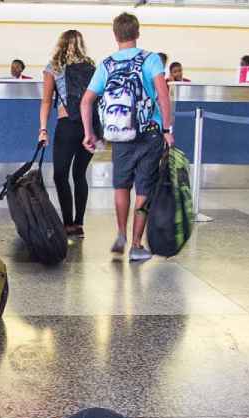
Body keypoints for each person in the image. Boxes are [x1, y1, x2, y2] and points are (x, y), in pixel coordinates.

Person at [81, 12, 174, 263]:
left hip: (119, 134)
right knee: (144, 188)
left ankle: (120, 233)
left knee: (121, 185)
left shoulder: (106, 64)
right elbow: (163, 96)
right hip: (149, 133)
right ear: (137, 33)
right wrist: (168, 129)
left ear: (115, 35)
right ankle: (136, 244)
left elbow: (86, 100)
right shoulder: (151, 59)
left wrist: (89, 133)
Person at [40, 30, 95, 237]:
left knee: (60, 175)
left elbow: (46, 101)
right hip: (90, 127)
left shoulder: (53, 67)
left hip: (67, 125)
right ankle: (79, 224)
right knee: (80, 174)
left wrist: (43, 129)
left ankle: (68, 223)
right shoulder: (92, 67)